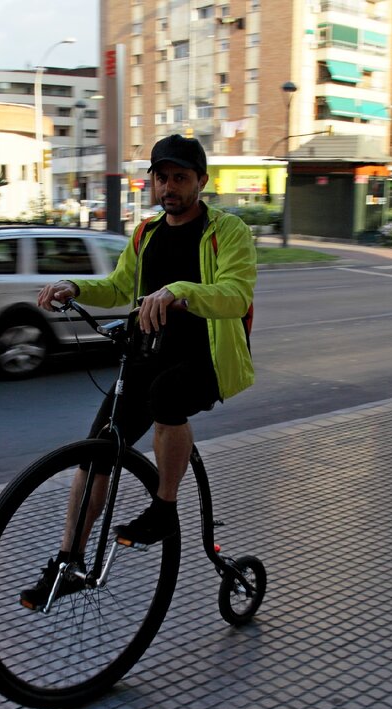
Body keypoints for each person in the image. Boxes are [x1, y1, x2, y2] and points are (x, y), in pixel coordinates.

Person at [22, 133, 257, 609]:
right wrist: (74, 286)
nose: (169, 186)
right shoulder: (146, 233)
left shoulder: (227, 232)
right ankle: (68, 562)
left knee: (168, 398)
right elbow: (118, 287)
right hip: (148, 355)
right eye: (162, 177)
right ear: (152, 181)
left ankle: (164, 508)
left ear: (201, 182)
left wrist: (178, 291)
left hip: (206, 360)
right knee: (96, 454)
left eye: (180, 178)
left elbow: (236, 294)